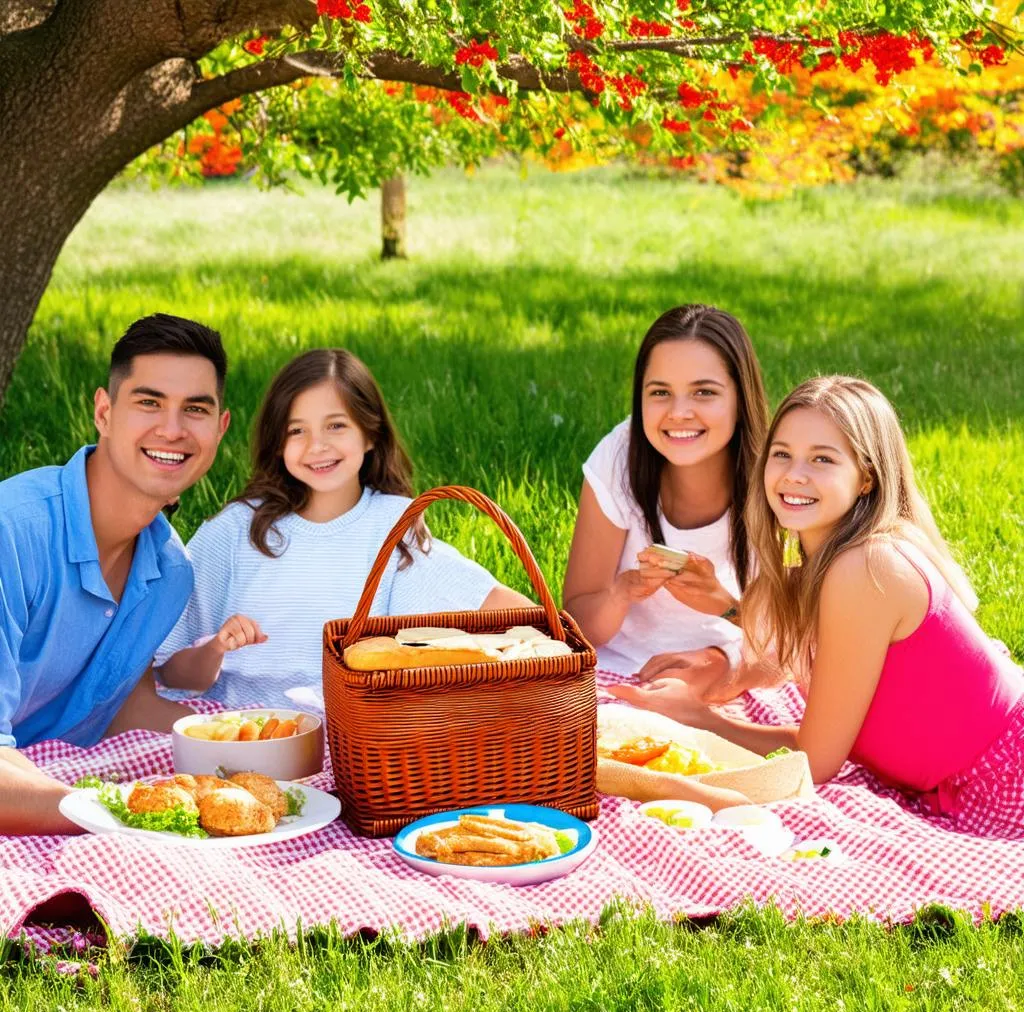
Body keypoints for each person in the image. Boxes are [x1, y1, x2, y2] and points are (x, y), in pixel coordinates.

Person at [614, 377, 1024, 836]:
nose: (794, 475)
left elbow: (816, 760)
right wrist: (726, 607)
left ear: (866, 476)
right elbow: (807, 637)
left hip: (1006, 781)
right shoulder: (832, 561)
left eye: (822, 459)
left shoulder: (867, 569)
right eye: (782, 454)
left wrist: (698, 719)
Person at [156, 348, 531, 709]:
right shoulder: (236, 530)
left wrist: (558, 640)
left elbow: (495, 606)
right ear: (277, 443)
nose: (317, 446)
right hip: (238, 728)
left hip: (350, 732)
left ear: (370, 434)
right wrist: (216, 648)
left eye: (336, 425)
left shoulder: (391, 523)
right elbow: (169, 673)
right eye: (296, 431)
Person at [0, 314, 231, 834]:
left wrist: (255, 752)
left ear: (220, 429)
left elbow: (125, 706)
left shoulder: (170, 573)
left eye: (195, 409)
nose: (172, 429)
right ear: (104, 412)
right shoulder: (11, 534)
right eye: (148, 402)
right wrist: (118, 821)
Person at [562, 304, 769, 696]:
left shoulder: (778, 476)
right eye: (660, 393)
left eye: (704, 392)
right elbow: (576, 625)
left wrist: (718, 659)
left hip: (737, 672)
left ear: (741, 399)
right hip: (618, 671)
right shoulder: (619, 458)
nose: (679, 413)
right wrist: (621, 592)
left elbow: (798, 642)